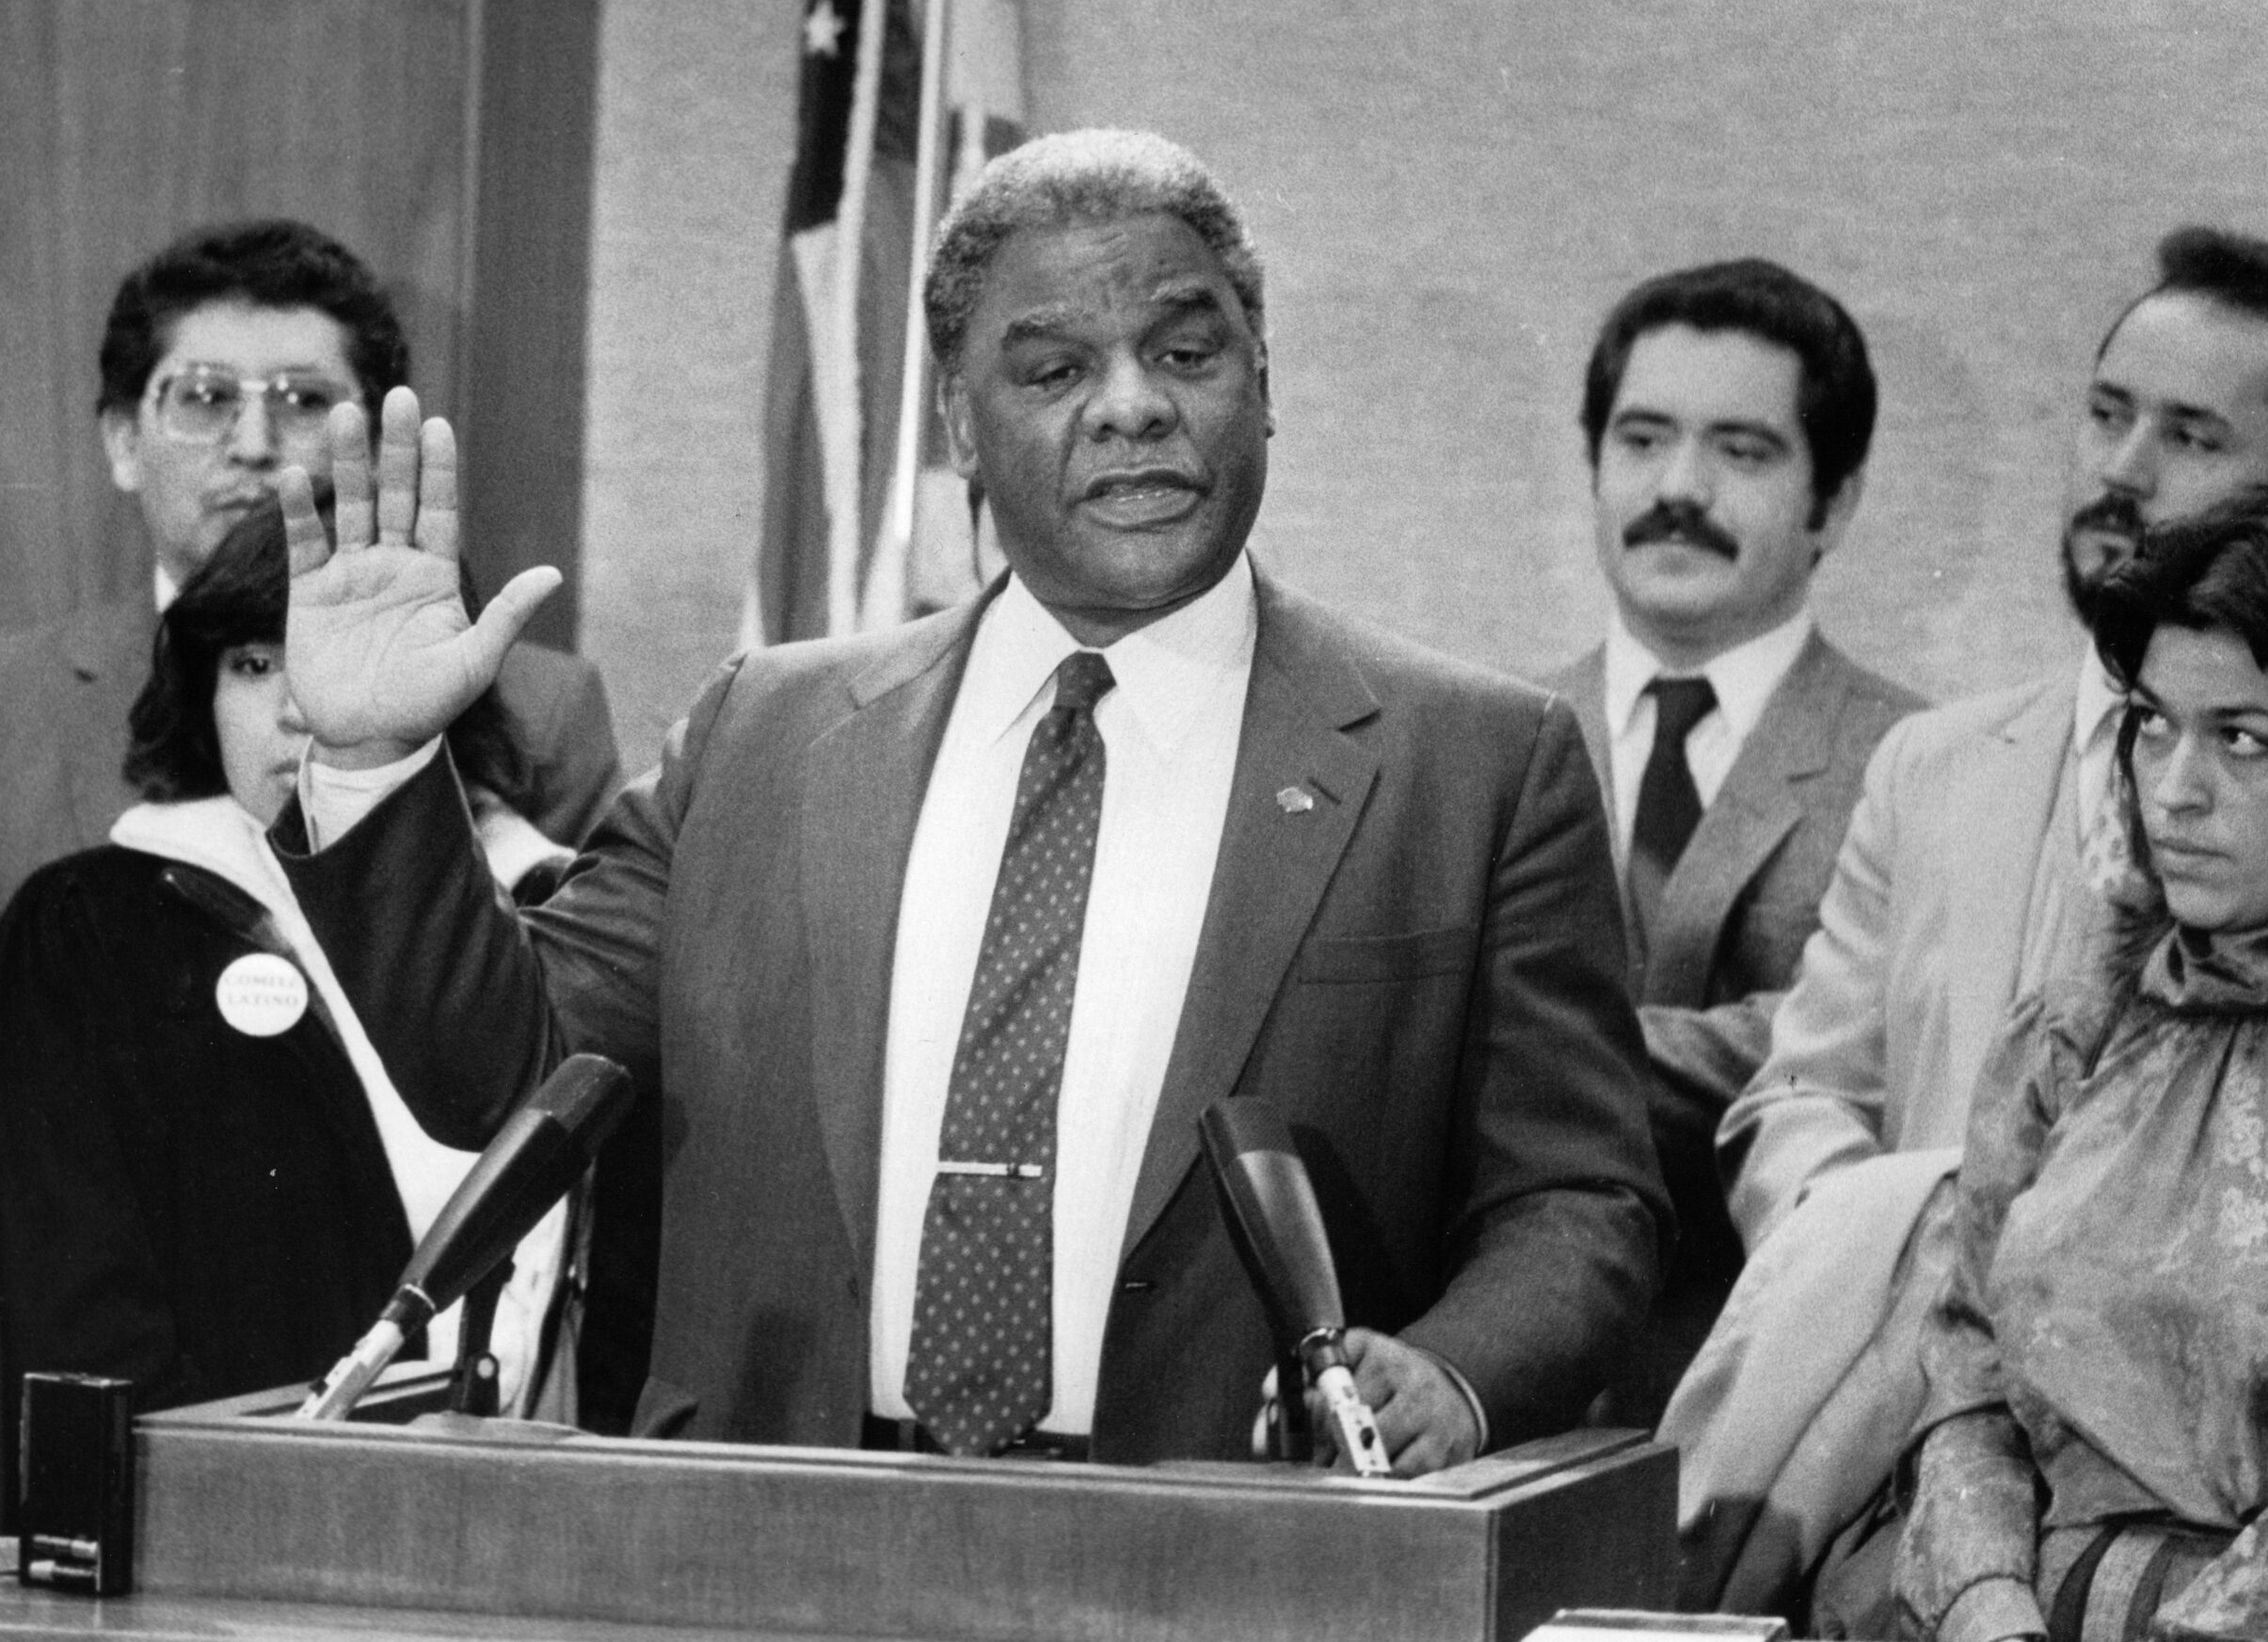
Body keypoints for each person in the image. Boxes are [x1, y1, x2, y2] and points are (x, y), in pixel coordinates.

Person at [267, 130, 1669, 1475]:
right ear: (958, 422)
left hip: (1243, 1552)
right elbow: (513, 1077)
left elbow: (1579, 1198)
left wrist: (1458, 1374)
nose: (1132, 404)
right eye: (1055, 366)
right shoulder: (767, 729)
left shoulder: (1478, 766)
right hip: (767, 1538)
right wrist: (381, 765)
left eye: (1186, 352)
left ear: (1262, 376)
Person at [1659, 227, 2268, 1618]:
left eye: (2188, 435)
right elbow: (1804, 1102)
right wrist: (1903, 1224)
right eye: (2106, 414)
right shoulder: (1939, 772)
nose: (2121, 471)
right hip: (1912, 1493)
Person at [1897, 492, 2268, 1642]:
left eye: (2239, 738)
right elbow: (1963, 1365)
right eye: (2148, 723)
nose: (2172, 787)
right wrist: (1987, 1609)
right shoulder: (2083, 1012)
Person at [0, 503, 569, 1527]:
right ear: (198, 695)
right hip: (222, 1547)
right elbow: (75, 1317)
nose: (305, 702)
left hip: (529, 1528)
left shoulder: (545, 912)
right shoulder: (90, 929)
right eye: (256, 665)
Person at [1550, 258, 1921, 1425]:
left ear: (1835, 502)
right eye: (1642, 439)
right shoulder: (1476, 741)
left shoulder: (1919, 763)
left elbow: (1836, 1051)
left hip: (1778, 1411)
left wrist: (1502, 1049)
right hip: (1501, 1408)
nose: (1678, 487)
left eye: (1742, 451)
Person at [0, 217, 623, 912]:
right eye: (206, 397)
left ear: (379, 445)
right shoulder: (13, 704)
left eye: (305, 401)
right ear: (121, 441)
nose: (254, 445)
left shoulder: (545, 712)